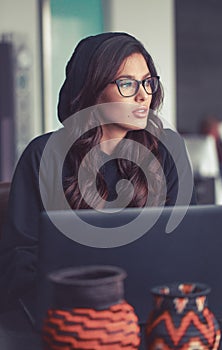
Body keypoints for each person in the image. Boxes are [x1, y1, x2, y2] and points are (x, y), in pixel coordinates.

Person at [0, 32, 195, 312]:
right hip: (70, 312)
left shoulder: (168, 152)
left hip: (151, 307)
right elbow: (17, 263)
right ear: (92, 89)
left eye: (147, 82)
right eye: (127, 83)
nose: (143, 95)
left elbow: (188, 244)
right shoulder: (44, 155)